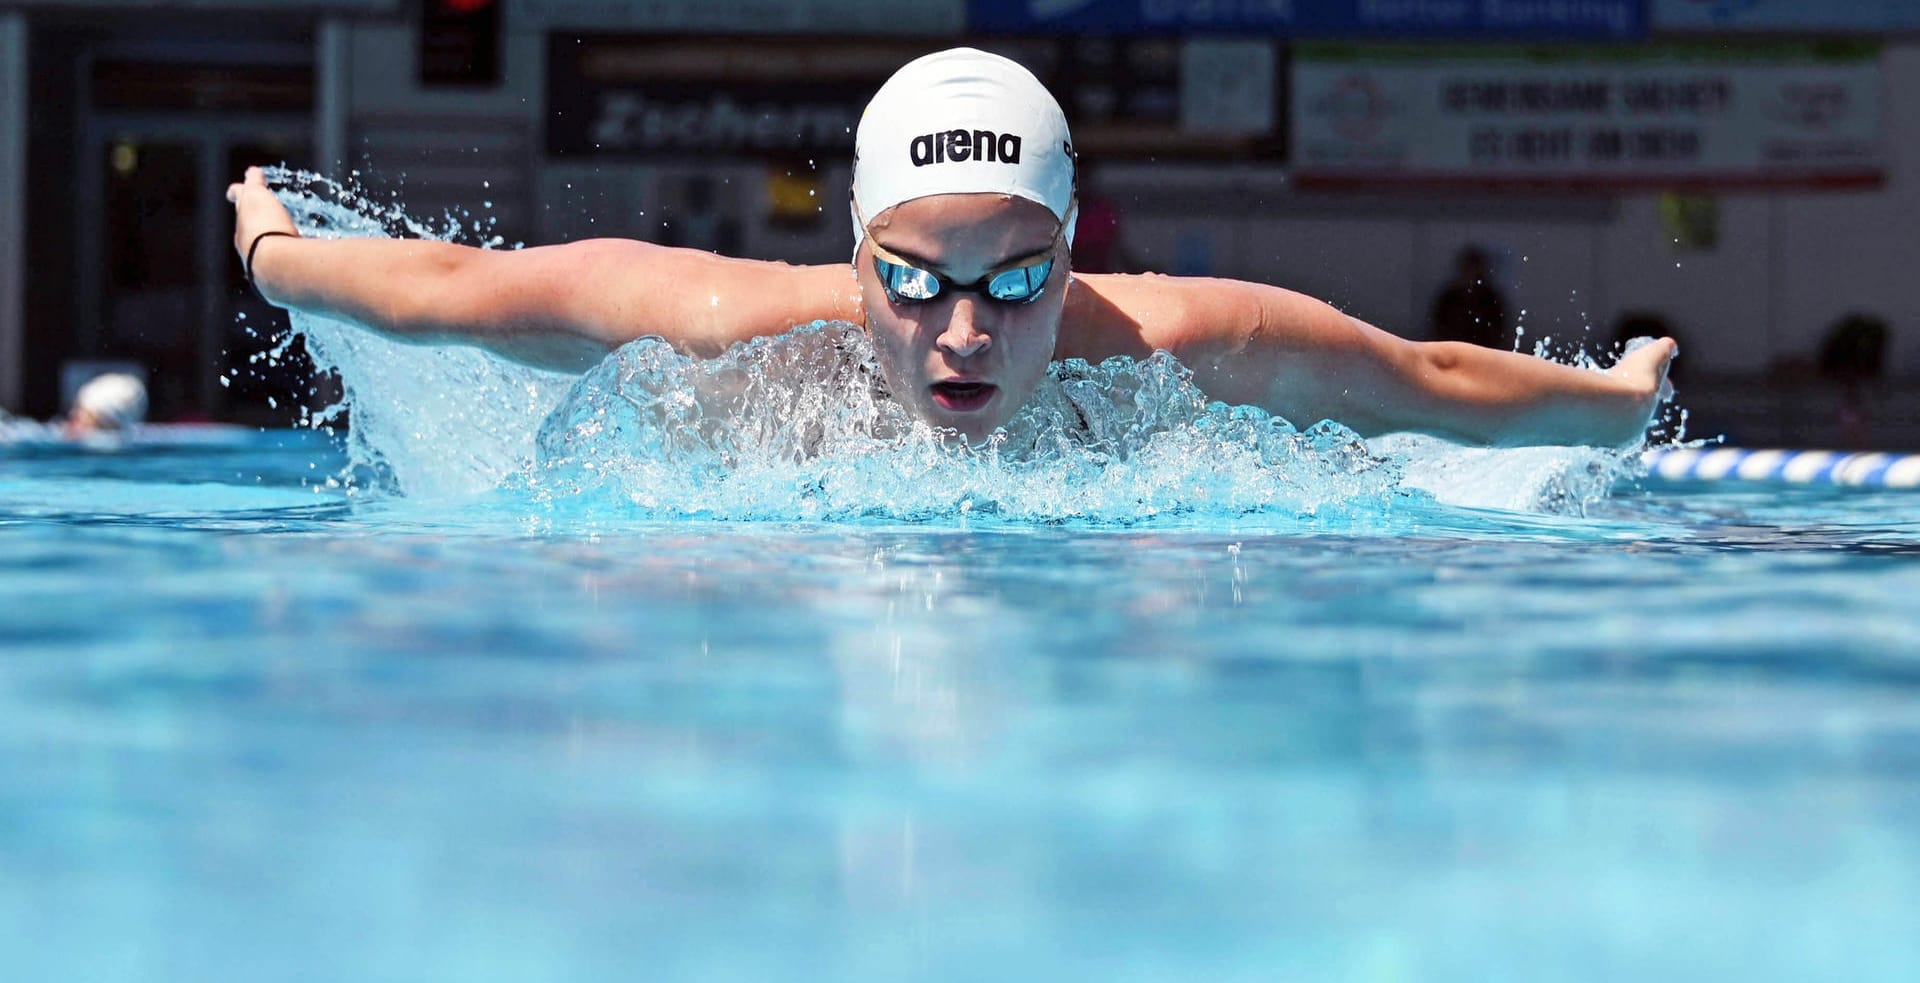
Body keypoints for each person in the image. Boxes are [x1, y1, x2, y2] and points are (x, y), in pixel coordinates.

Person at [227, 48, 1674, 449]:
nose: (965, 333)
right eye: (914, 280)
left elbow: (1416, 377)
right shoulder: (729, 321)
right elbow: (452, 293)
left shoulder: (1178, 341)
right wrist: (276, 255)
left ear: (1075, 254)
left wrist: (1616, 405)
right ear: (854, 255)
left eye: (1018, 279)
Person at [1428, 246, 1508, 351]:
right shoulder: (1449, 299)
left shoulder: (1491, 300)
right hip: (1452, 352)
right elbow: (1438, 330)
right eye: (1469, 269)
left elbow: (1499, 333)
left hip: (1483, 353)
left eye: (1475, 269)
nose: (1472, 274)